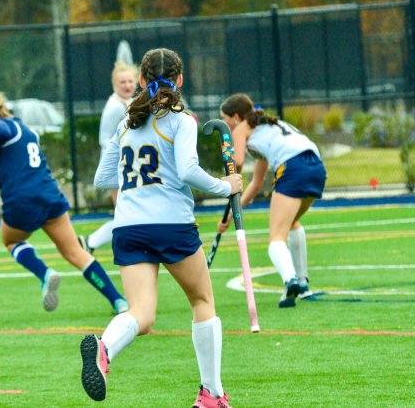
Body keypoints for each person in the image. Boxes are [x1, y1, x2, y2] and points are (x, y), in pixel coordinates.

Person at [79, 48, 241, 407]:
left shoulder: (126, 122)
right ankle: (211, 395)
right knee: (202, 301)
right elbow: (186, 171)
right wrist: (225, 186)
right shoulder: (181, 120)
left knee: (142, 314)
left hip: (128, 228)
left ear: (140, 80)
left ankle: (105, 347)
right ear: (181, 80)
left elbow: (103, 177)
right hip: (171, 225)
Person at [0, 92, 128, 314]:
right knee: (75, 252)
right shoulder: (27, 132)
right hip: (49, 195)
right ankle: (118, 301)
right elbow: (1, 180)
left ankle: (44, 273)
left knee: (10, 240)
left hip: (22, 200)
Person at [219, 93, 326, 307]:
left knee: (276, 237)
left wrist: (227, 150)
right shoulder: (267, 127)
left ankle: (290, 280)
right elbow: (256, 182)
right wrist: (232, 213)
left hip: (293, 167)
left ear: (236, 117)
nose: (224, 124)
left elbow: (237, 163)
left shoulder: (241, 129)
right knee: (292, 221)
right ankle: (303, 284)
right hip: (316, 167)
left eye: (224, 119)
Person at [78, 60, 138, 254]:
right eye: (123, 82)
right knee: (124, 214)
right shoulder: (114, 107)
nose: (127, 85)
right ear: (115, 84)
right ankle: (91, 242)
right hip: (117, 167)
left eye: (130, 81)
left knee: (129, 214)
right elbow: (105, 139)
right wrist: (118, 165)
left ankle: (90, 242)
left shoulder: (129, 103)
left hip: (128, 166)